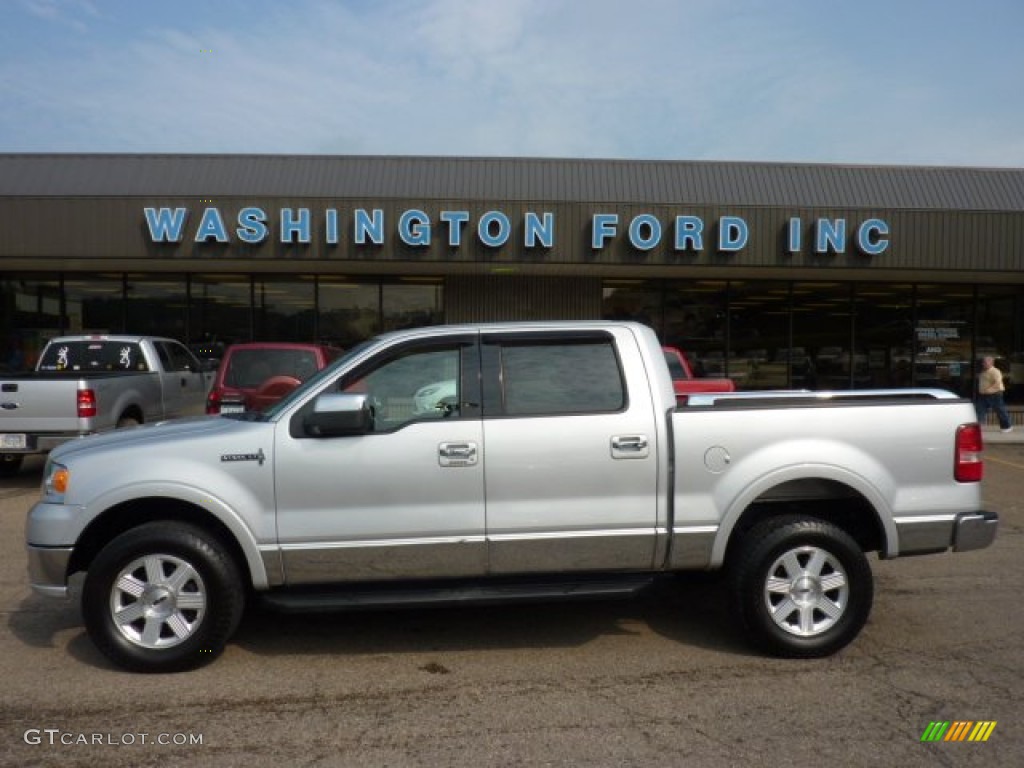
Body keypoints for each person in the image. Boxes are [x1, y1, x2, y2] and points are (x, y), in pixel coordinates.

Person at [976, 356, 1012, 432]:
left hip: (995, 394)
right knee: (979, 410)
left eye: (985, 362)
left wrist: (988, 390)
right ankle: (978, 427)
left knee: (1000, 410)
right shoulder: (983, 371)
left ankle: (1007, 426)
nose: (983, 364)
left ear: (991, 363)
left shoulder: (995, 371)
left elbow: (998, 382)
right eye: (983, 362)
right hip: (983, 395)